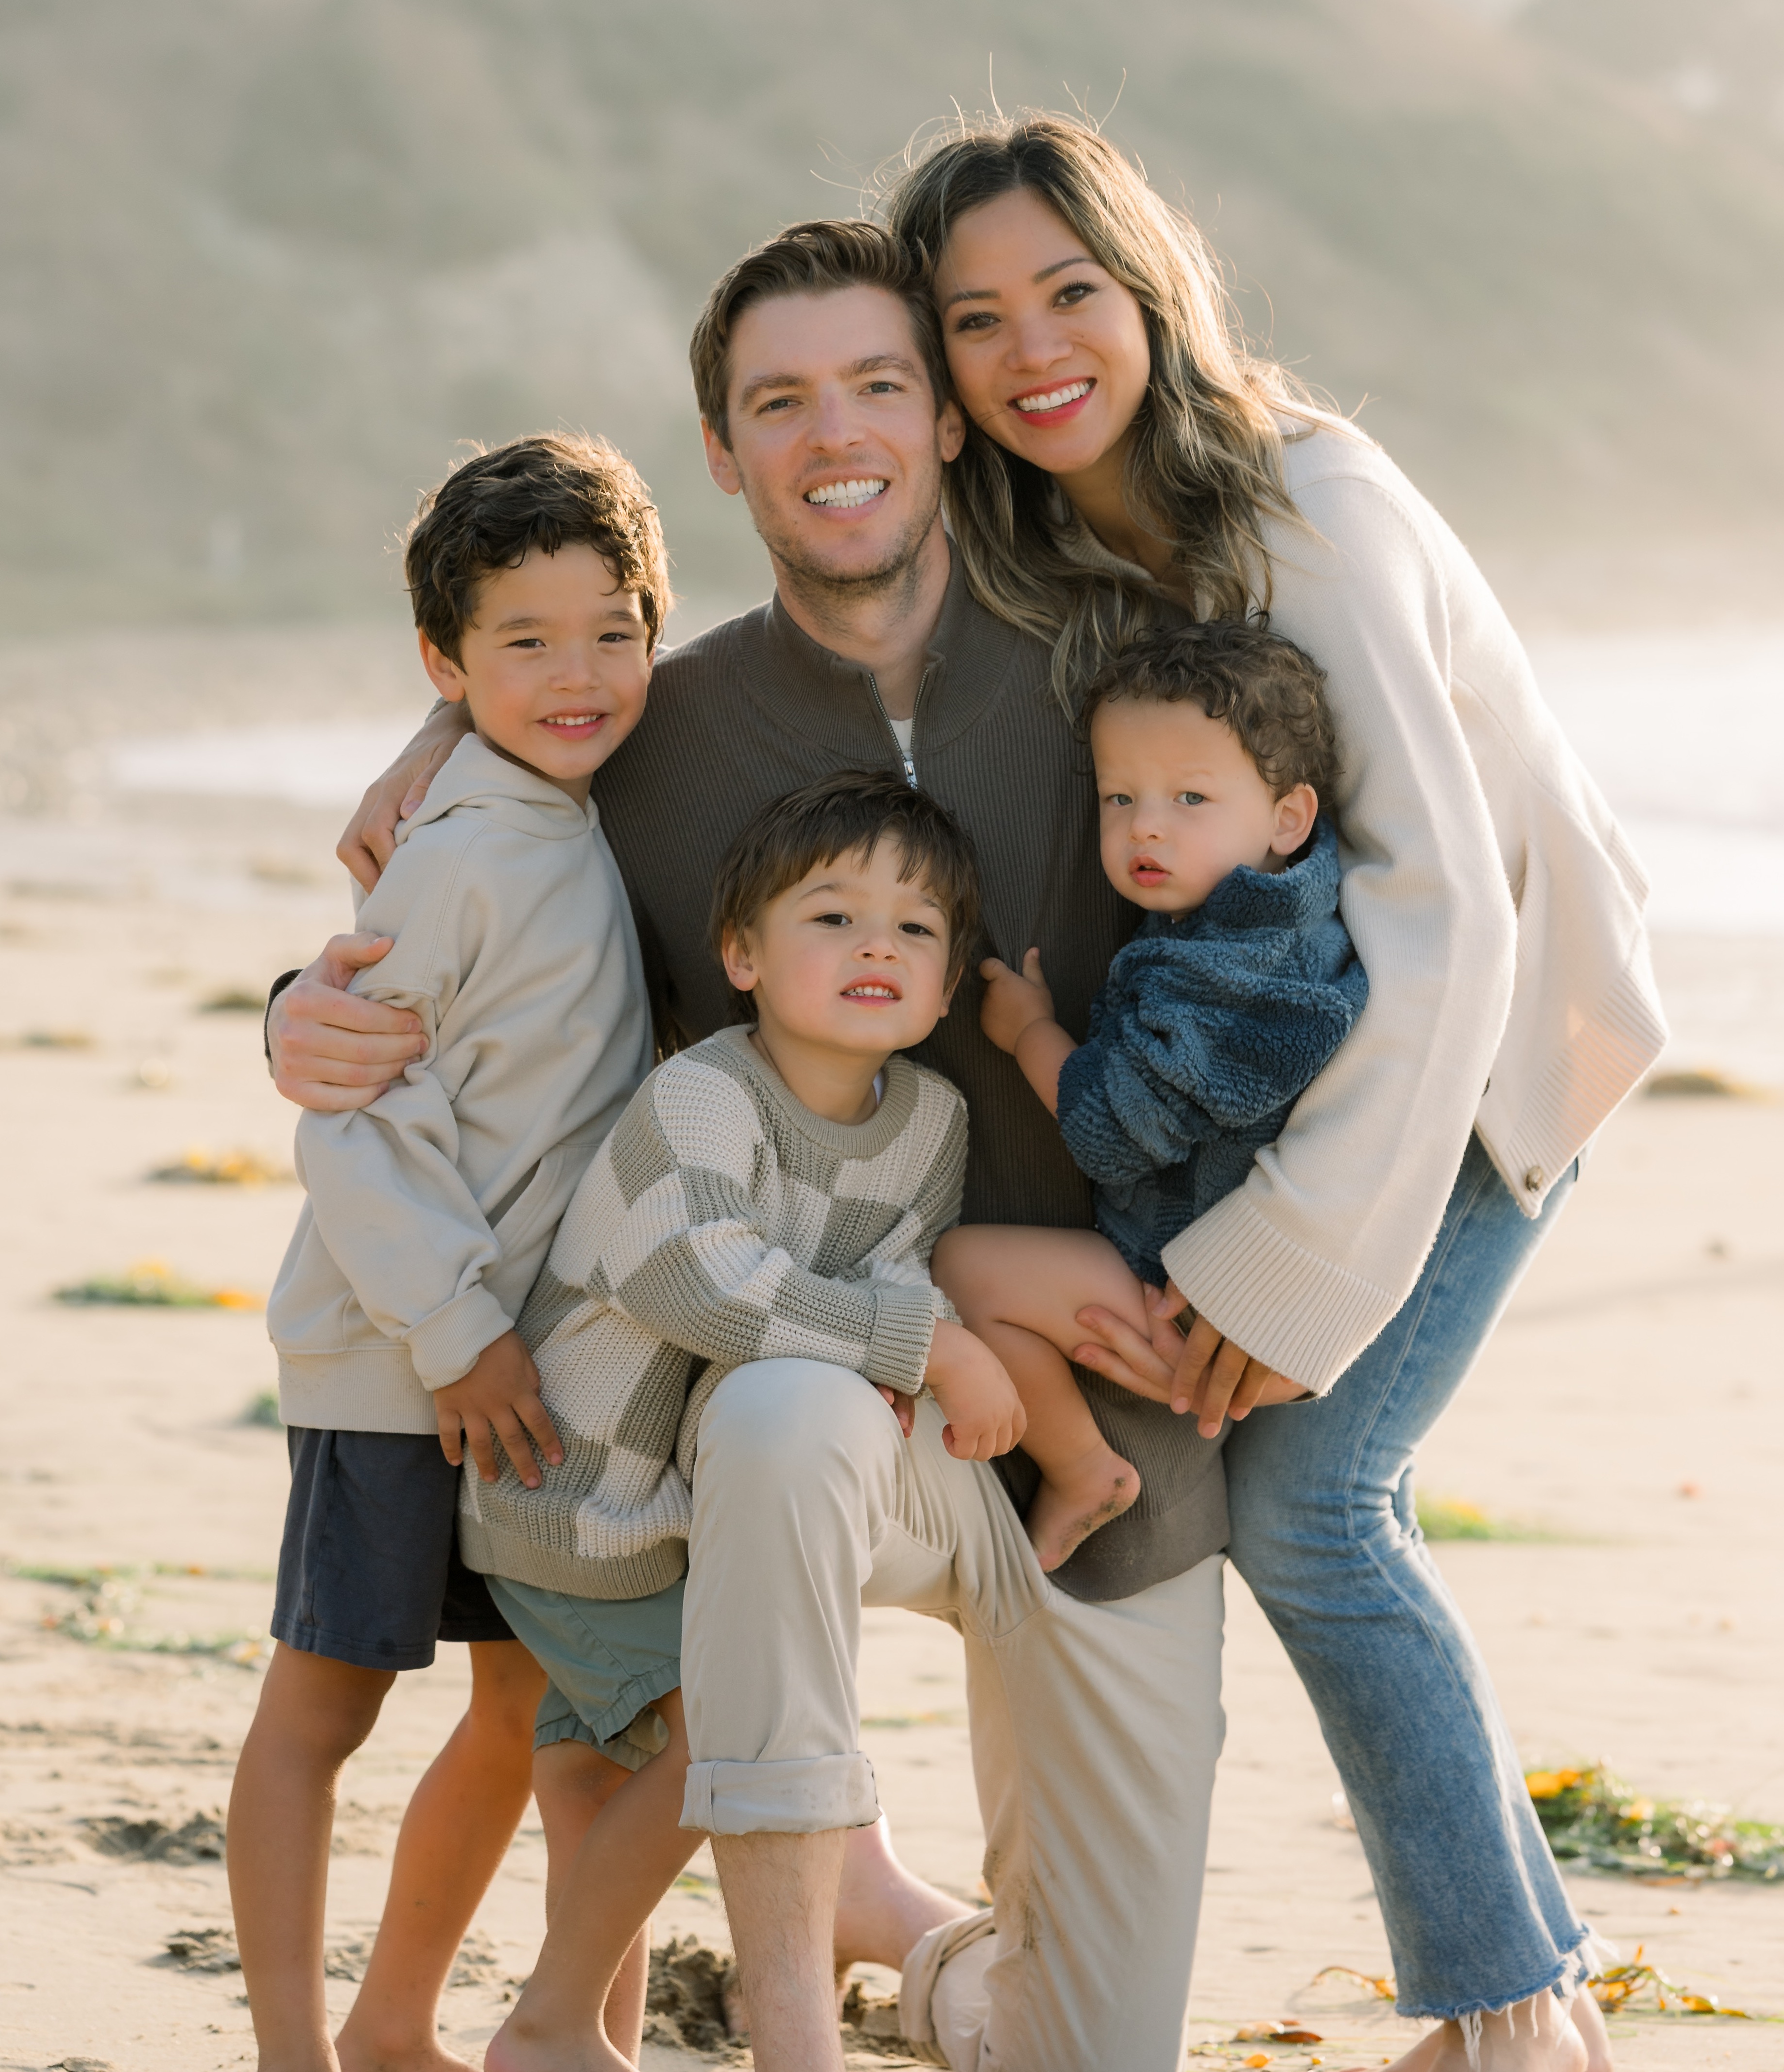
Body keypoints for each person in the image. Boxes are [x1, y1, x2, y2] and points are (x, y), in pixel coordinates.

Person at [269, 220, 1232, 2072]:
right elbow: (490, 824)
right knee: (781, 1420)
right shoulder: (652, 730)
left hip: (1093, 1424)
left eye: (878, 382)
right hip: (796, 1383)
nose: (834, 430)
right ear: (720, 449)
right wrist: (298, 993)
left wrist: (1291, 1270)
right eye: (779, 400)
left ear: (946, 416)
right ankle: (785, 2014)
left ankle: (927, 1959)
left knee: (1094, 2045)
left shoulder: (1117, 661)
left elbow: (1318, 883)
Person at [884, 112, 1668, 2072]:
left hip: (1483, 1067)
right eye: (977, 317)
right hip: (1305, 1082)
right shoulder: (1070, 544)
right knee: (1318, 1510)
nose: (1033, 345)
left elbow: (1449, 916)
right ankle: (1532, 1996)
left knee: (1317, 1510)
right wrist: (447, 760)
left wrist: (1283, 1263)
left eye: (1070, 290)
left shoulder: (1312, 509)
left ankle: (1510, 2020)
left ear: (1149, 287)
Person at [468, 774, 1024, 2072]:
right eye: (832, 916)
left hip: (697, 1507)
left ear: (949, 984)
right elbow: (702, 1282)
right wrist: (927, 1347)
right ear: (742, 956)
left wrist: (898, 1337)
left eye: (916, 927)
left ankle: (582, 2031)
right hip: (585, 1499)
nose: (877, 945)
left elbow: (893, 1269)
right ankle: (549, 2021)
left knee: (606, 1778)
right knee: (721, 1745)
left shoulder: (930, 1121)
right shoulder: (704, 1094)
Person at [231, 432, 664, 2072]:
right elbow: (355, 1119)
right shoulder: (462, 849)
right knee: (322, 1706)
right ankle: (294, 2051)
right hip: (395, 1355)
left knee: (524, 1709)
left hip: (521, 1367)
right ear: (447, 660)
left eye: (612, 630)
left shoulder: (579, 815)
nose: (578, 675)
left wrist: (498, 1343)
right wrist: (456, 1329)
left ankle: (397, 2026)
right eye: (523, 641)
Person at [934, 618, 1367, 1571]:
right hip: (1231, 1275)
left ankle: (1083, 1468)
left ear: (1288, 818)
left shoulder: (1232, 968)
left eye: (1190, 798)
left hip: (1185, 1297)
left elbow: (1113, 1129)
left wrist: (1031, 1033)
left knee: (964, 1268)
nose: (1147, 827)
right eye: (1119, 797)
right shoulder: (1268, 917)